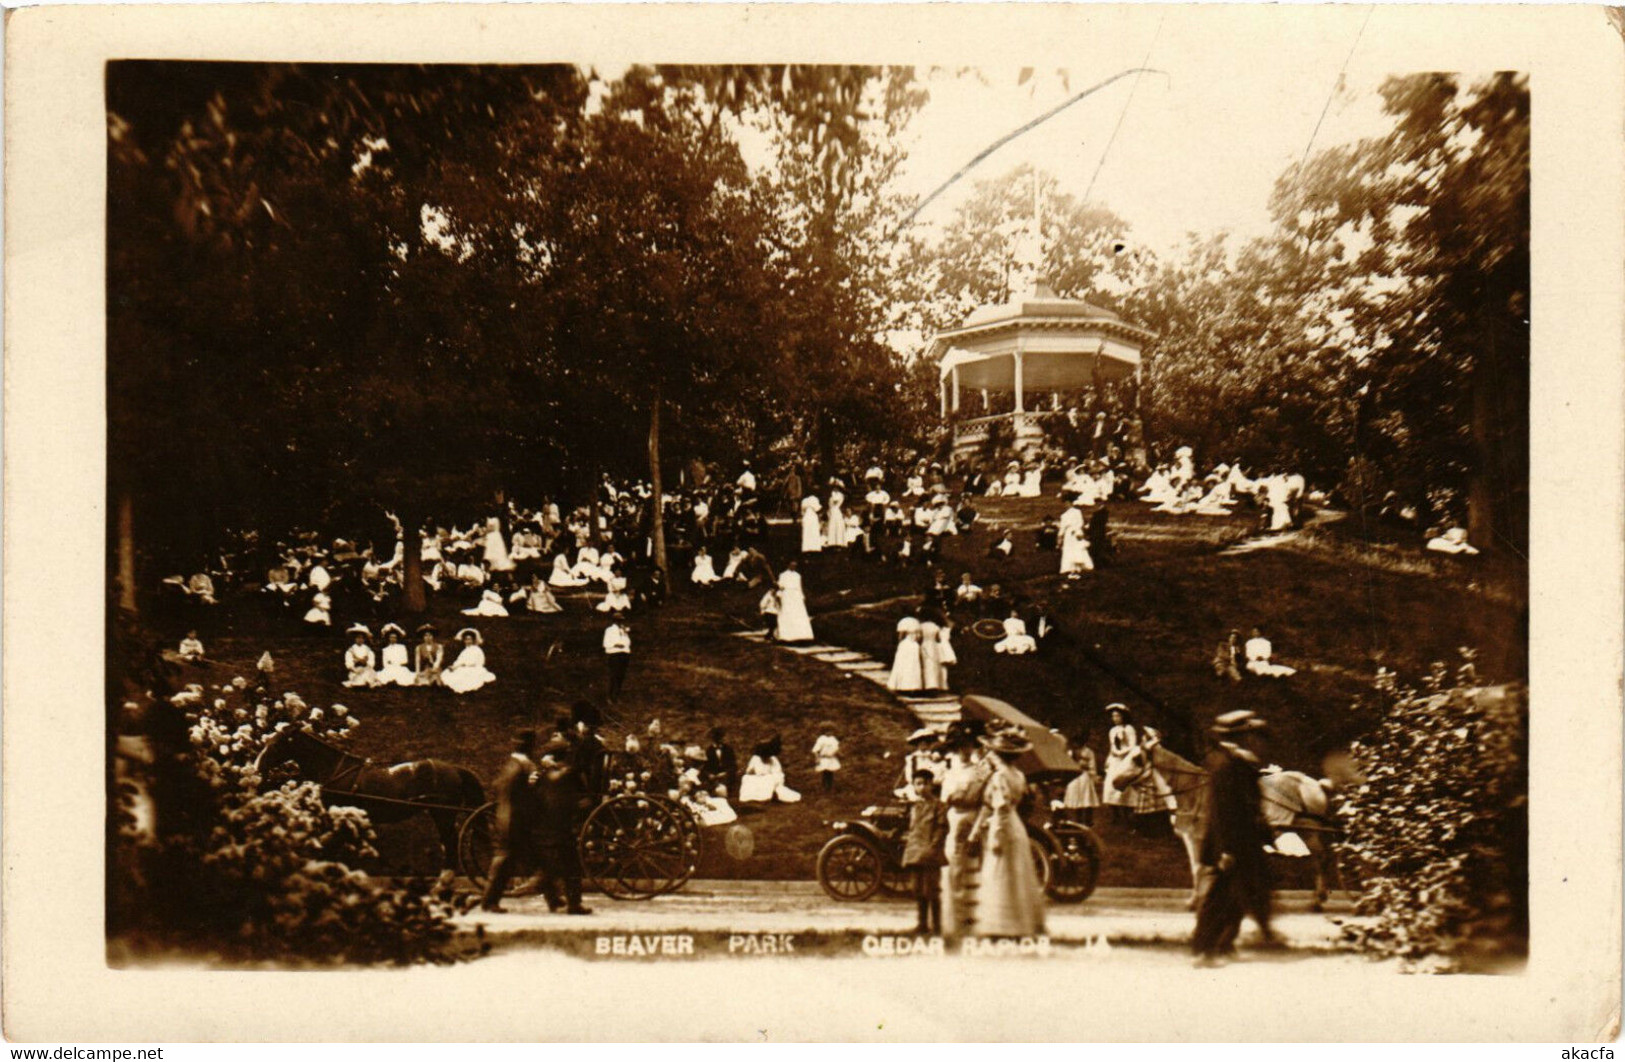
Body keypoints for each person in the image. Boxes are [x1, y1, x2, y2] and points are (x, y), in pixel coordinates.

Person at [1192, 710, 1275, 963]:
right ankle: (1204, 950)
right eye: (1250, 734)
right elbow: (1223, 812)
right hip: (1230, 842)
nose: (1255, 740)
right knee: (1220, 896)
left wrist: (1264, 832)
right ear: (1239, 736)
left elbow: (1250, 804)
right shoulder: (1225, 765)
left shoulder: (1236, 761)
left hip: (1243, 841)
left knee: (1241, 894)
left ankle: (1224, 945)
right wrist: (1226, 850)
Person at [968, 725, 1046, 937]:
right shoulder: (1018, 775)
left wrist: (996, 835)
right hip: (1015, 825)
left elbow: (1000, 806)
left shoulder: (999, 776)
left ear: (998, 755)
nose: (989, 755)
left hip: (1003, 824)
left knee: (1001, 871)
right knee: (1016, 872)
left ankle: (1003, 925)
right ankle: (1019, 921)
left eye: (992, 752)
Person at [939, 721, 993, 941]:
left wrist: (977, 828)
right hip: (955, 819)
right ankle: (956, 918)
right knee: (954, 866)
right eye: (961, 746)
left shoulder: (980, 772)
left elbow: (984, 802)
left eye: (969, 746)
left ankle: (976, 920)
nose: (965, 750)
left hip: (973, 819)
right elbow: (945, 799)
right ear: (956, 748)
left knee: (977, 867)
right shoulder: (950, 771)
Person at [480, 730, 540, 913]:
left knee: (522, 858)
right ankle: (489, 901)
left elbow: (498, 786)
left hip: (504, 816)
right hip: (518, 820)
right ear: (530, 746)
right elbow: (534, 792)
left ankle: (554, 899)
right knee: (507, 860)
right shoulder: (527, 766)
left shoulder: (510, 764)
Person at [533, 735, 593, 915]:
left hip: (545, 827)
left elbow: (538, 799)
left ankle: (552, 900)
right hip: (563, 827)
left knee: (549, 865)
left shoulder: (543, 777)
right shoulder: (569, 773)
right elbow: (576, 798)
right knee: (572, 867)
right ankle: (574, 904)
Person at [901, 772, 949, 936]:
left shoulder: (939, 806)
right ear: (913, 786)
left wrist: (933, 846)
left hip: (930, 853)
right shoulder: (914, 806)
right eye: (918, 784)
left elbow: (942, 828)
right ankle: (922, 924)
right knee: (917, 889)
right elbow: (912, 829)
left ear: (932, 785)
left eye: (925, 784)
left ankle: (936, 926)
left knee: (931, 890)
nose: (922, 787)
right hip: (915, 851)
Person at [739, 735, 800, 803]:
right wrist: (751, 772)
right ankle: (752, 797)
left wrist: (768, 776)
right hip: (757, 779)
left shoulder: (773, 760)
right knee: (746, 778)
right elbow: (748, 771)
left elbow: (778, 774)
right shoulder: (755, 759)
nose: (764, 757)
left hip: (768, 780)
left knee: (769, 780)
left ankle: (767, 796)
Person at [1062, 731, 1102, 826]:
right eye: (1074, 743)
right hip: (1074, 776)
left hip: (1084, 776)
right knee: (1076, 798)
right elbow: (1066, 764)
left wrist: (1090, 771)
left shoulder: (1088, 752)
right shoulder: (1070, 752)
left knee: (1086, 798)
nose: (1076, 745)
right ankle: (1078, 819)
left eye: (1078, 743)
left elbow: (1092, 766)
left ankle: (1088, 819)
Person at [443, 628, 496, 694]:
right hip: (462, 667)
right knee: (449, 673)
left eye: (469, 639)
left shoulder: (477, 649)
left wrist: (461, 665)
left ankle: (467, 693)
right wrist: (454, 666)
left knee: (465, 676)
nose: (468, 641)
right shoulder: (465, 650)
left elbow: (476, 662)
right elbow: (460, 660)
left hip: (474, 668)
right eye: (466, 639)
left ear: (473, 640)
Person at [774, 560, 815, 643]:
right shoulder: (783, 575)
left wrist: (802, 596)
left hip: (796, 596)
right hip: (787, 596)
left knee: (798, 614)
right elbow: (781, 586)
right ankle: (786, 636)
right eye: (792, 565)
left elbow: (799, 587)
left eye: (795, 566)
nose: (793, 567)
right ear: (788, 565)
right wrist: (780, 594)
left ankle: (801, 636)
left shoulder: (798, 575)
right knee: (787, 614)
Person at [1058, 498, 1093, 578]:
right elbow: (1062, 527)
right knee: (1069, 550)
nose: (1066, 505)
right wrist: (1060, 536)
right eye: (1065, 503)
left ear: (1071, 503)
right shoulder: (1064, 515)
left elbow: (1080, 522)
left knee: (1078, 548)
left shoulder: (1077, 512)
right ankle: (1069, 567)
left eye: (1068, 502)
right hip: (1068, 534)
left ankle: (1081, 565)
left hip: (1076, 532)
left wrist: (1077, 531)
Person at [887, 617, 924, 692]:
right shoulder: (917, 628)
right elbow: (919, 638)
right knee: (913, 665)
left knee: (902, 664)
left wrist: (900, 642)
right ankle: (913, 686)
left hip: (905, 645)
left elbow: (900, 637)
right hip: (914, 646)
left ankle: (901, 685)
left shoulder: (903, 626)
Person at [603, 613, 632, 701]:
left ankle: (616, 695)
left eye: (621, 621)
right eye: (618, 621)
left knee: (621, 676)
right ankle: (610, 696)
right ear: (614, 621)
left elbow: (628, 643)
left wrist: (624, 633)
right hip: (614, 655)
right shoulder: (609, 630)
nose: (620, 623)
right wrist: (616, 645)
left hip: (624, 654)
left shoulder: (623, 631)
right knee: (614, 675)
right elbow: (606, 643)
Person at [704, 726, 738, 799]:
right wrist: (710, 774)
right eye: (721, 738)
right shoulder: (708, 751)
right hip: (714, 775)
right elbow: (705, 766)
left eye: (722, 737)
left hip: (726, 774)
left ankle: (727, 792)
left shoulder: (728, 749)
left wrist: (725, 773)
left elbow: (733, 765)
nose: (723, 739)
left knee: (727, 782)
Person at [811, 724, 842, 794]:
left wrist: (839, 754)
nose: (829, 733)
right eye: (827, 731)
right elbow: (816, 750)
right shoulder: (821, 739)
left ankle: (830, 787)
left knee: (830, 772)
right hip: (824, 759)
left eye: (831, 731)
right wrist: (817, 758)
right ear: (824, 731)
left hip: (831, 758)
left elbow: (836, 749)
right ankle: (824, 787)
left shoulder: (833, 739)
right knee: (825, 772)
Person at [918, 618, 945, 691]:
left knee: (925, 665)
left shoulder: (921, 626)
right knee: (933, 666)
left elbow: (919, 638)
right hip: (933, 646)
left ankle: (925, 686)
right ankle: (934, 685)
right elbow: (938, 639)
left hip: (925, 645)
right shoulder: (935, 626)